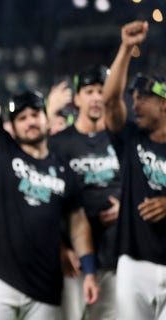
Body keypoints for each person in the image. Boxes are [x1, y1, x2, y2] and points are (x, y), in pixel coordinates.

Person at [0, 20, 98, 320]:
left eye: (35, 114)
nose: (30, 121)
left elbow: (78, 223)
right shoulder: (2, 150)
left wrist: (89, 270)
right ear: (14, 125)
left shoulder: (63, 169)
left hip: (46, 289)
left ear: (45, 118)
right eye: (22, 117)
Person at [102, 20, 166, 319]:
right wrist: (126, 48)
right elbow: (111, 101)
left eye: (144, 98)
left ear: (164, 104)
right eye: (135, 97)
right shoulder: (130, 138)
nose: (136, 104)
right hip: (133, 263)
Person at [48, 65, 121, 320]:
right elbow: (48, 200)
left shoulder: (121, 140)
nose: (97, 97)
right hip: (72, 260)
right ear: (77, 98)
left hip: (116, 257)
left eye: (102, 91)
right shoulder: (58, 143)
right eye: (89, 91)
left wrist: (125, 207)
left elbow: (140, 187)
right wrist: (59, 247)